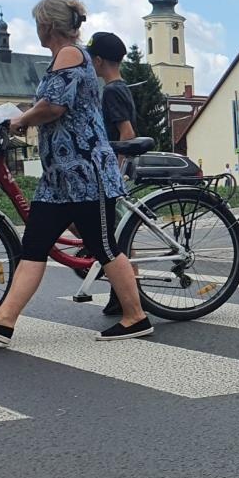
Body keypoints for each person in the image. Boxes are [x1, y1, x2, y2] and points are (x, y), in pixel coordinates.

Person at [0, 0, 153, 344]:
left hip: (85, 173)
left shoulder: (70, 53)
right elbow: (51, 105)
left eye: (37, 24)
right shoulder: (66, 57)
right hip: (60, 177)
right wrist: (25, 117)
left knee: (103, 246)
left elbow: (54, 106)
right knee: (34, 245)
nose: (36, 29)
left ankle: (135, 316)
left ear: (46, 26)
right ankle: (3, 320)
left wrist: (21, 120)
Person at [87, 31, 138, 317]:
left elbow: (127, 133)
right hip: (117, 167)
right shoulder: (119, 87)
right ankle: (121, 291)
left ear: (97, 61)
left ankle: (128, 292)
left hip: (116, 169)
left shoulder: (112, 91)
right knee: (118, 234)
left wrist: (116, 170)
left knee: (119, 236)